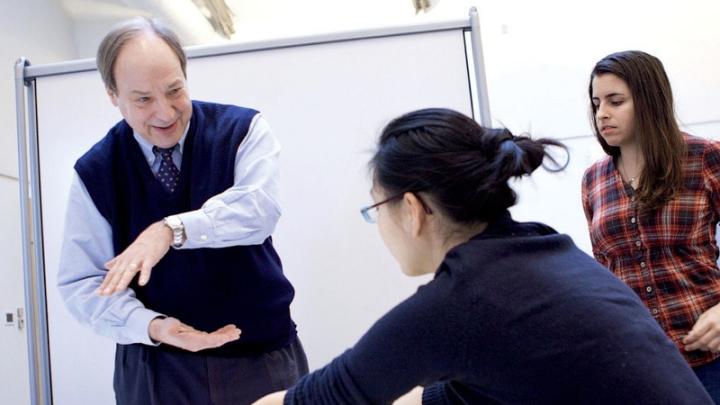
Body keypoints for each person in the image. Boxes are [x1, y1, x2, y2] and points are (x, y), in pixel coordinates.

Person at [253, 108, 712, 405]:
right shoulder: (540, 251)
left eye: (377, 209)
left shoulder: (462, 301)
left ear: (412, 210)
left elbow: (322, 400)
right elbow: (440, 396)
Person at [57, 17, 307, 404]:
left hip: (261, 358)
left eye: (174, 90)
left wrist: (170, 230)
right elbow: (83, 283)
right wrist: (153, 326)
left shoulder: (242, 131)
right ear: (113, 95)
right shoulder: (96, 170)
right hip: (156, 367)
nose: (164, 112)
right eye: (142, 99)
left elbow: (257, 211)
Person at [582, 49, 720, 401]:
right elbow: (604, 272)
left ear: (649, 100)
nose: (603, 113)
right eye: (597, 103)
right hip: (638, 364)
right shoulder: (593, 180)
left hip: (710, 356)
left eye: (616, 101)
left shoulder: (705, 158)